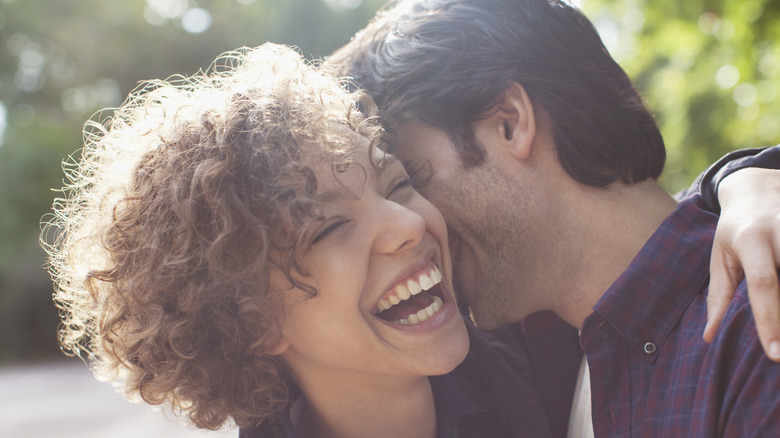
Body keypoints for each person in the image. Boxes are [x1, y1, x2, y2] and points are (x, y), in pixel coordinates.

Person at [42, 43, 557, 438]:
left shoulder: (563, 371)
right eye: (329, 228)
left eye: (398, 184)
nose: (409, 224)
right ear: (252, 320)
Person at [327, 0, 780, 436]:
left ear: (510, 122)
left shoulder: (757, 329)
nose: (413, 224)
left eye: (409, 180)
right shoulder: (533, 366)